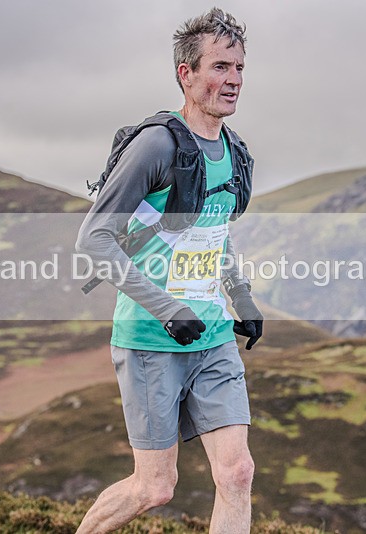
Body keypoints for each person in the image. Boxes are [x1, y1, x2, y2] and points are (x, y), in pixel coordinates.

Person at [74, 8, 262, 533]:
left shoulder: (233, 151)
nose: (234, 80)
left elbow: (213, 231)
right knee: (154, 488)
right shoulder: (156, 145)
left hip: (212, 335)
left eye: (240, 68)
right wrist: (168, 308)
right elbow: (94, 239)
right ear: (186, 72)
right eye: (221, 66)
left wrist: (241, 300)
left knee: (238, 472)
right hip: (151, 337)